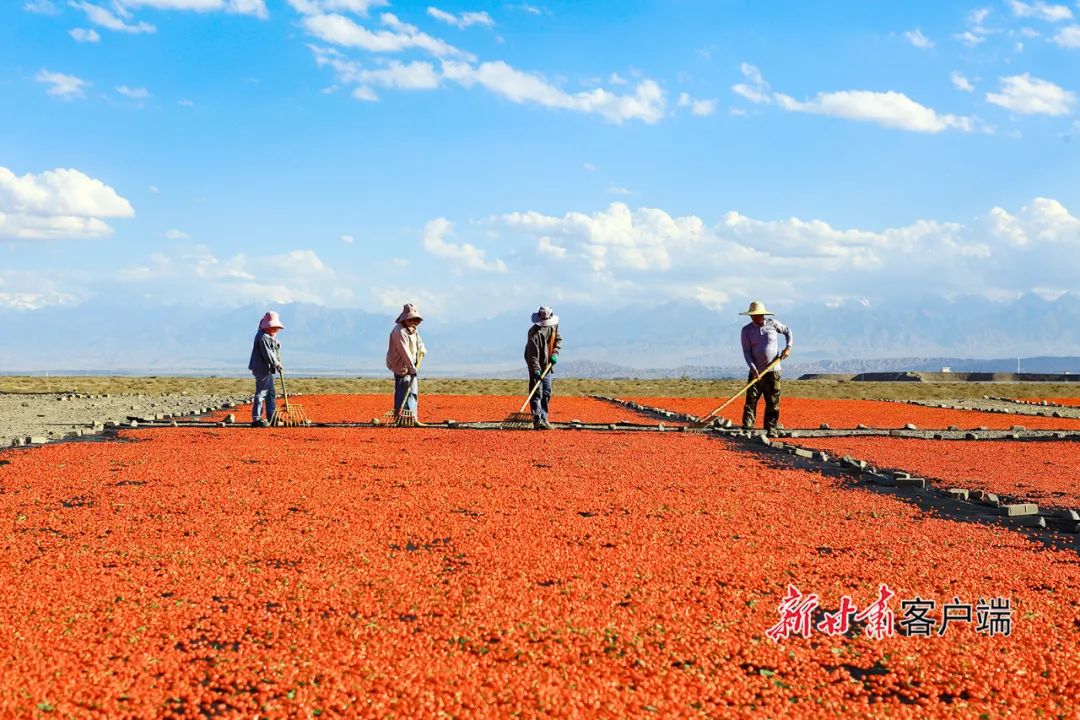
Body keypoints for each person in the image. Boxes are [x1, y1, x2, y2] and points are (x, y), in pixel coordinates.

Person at [739, 300, 792, 437]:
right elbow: (747, 352)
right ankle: (748, 426)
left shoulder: (773, 324)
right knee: (751, 400)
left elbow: (788, 331)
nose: (754, 317)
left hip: (773, 371)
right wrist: (752, 367)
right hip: (756, 372)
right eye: (752, 315)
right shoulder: (746, 331)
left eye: (756, 315)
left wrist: (788, 348)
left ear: (763, 314)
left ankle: (771, 428)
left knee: (773, 401)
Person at [524, 306, 562, 430]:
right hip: (535, 364)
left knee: (546, 391)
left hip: (548, 364)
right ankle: (536, 419)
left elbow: (558, 340)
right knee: (536, 392)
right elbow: (533, 355)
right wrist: (536, 370)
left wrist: (555, 353)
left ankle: (544, 418)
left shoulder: (553, 327)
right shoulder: (533, 333)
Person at [386, 303, 426, 419]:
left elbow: (419, 341)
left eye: (415, 320)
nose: (413, 322)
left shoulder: (413, 329)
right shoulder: (399, 331)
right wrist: (412, 369)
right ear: (405, 319)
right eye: (410, 319)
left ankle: (412, 417)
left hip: (412, 363)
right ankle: (400, 416)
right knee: (403, 388)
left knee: (413, 390)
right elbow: (404, 351)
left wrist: (422, 349)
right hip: (400, 364)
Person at [248, 311, 284, 428]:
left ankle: (271, 415)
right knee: (262, 393)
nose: (275, 330)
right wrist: (277, 364)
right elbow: (268, 355)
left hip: (266, 369)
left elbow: (271, 344)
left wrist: (276, 343)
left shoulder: (267, 336)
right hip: (261, 368)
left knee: (271, 393)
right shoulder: (263, 336)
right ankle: (257, 419)